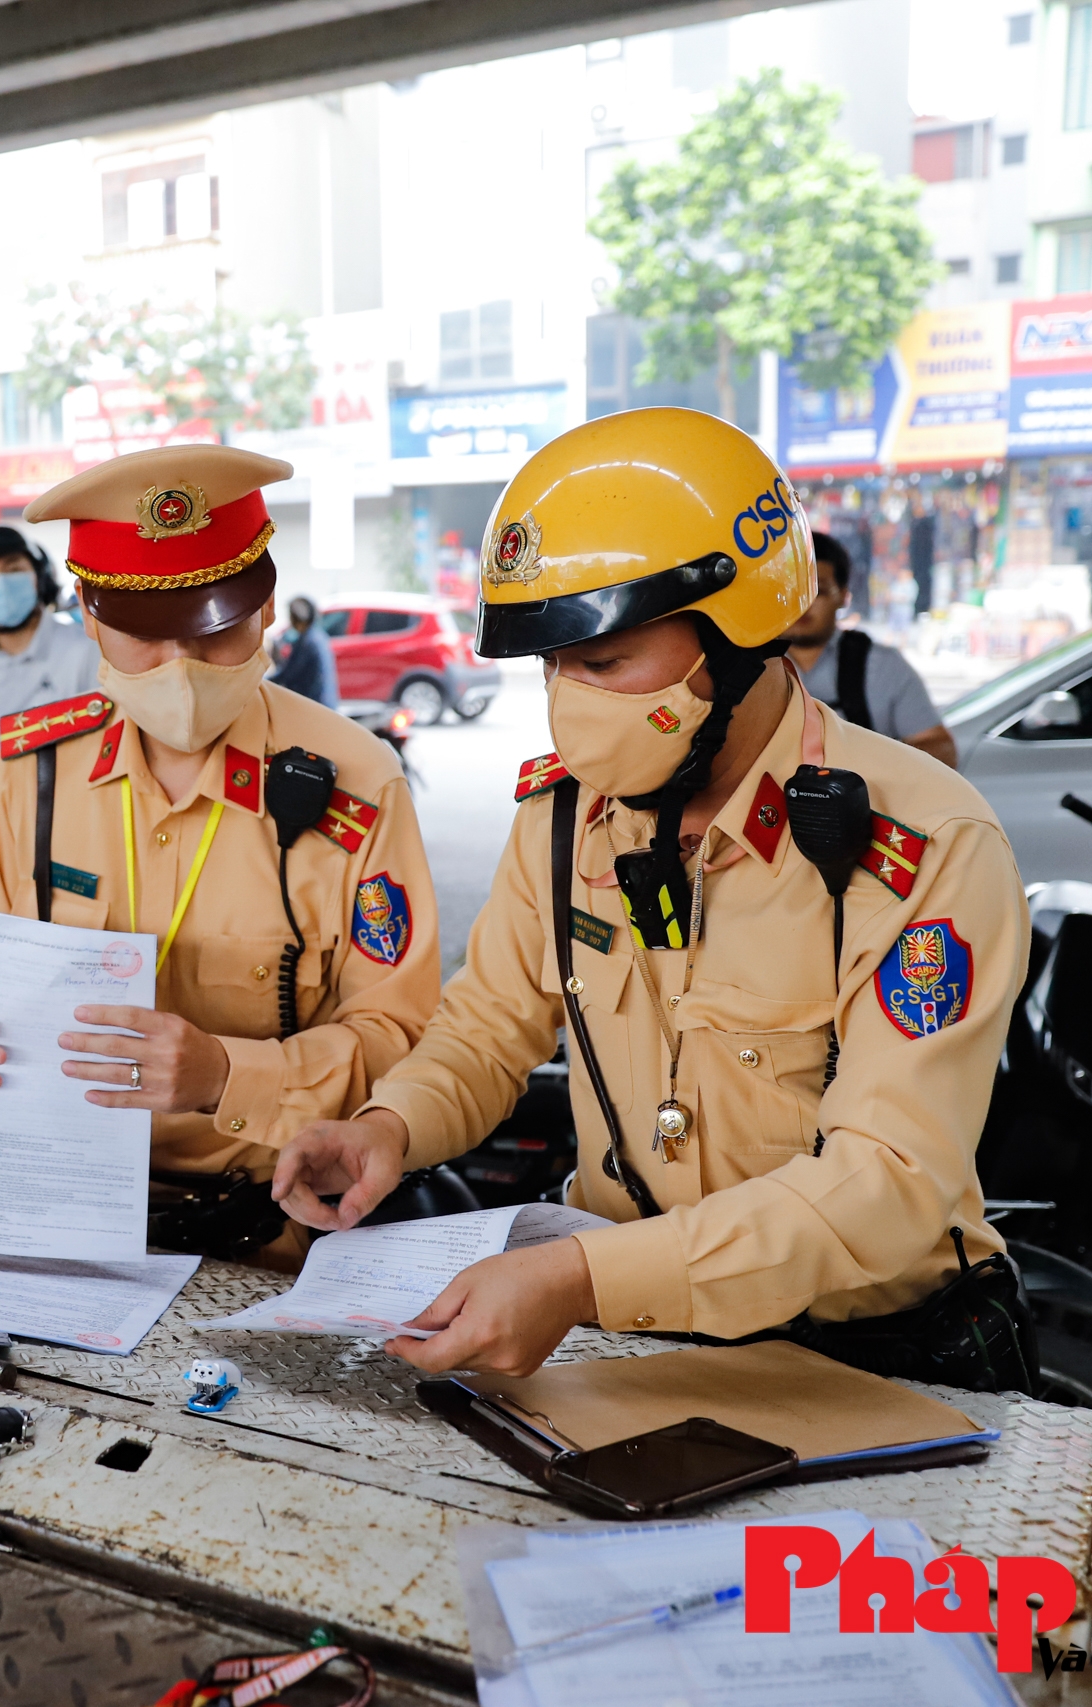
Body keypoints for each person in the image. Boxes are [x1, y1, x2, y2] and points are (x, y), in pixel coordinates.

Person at [270, 408, 1035, 1393]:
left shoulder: (924, 843)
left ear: (738, 635)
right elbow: (488, 1029)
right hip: (623, 1336)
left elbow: (886, 1182)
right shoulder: (564, 818)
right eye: (551, 665)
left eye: (601, 663)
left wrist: (583, 1278)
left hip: (869, 1357)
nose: (569, 702)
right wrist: (389, 1127)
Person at [0, 445, 443, 1267]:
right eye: (144, 634)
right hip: (55, 1211)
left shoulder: (357, 782)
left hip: (267, 1227)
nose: (181, 667)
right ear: (90, 616)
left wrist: (227, 1074)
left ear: (265, 605)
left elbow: (403, 1038)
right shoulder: (35, 775)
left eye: (215, 627)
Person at [0, 524, 101, 823]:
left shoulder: (86, 651)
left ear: (39, 576)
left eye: (13, 570)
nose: (0, 584)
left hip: (65, 821)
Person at [784, 531, 957, 768]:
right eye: (790, 590)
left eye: (817, 592)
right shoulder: (746, 664)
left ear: (843, 596)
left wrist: (873, 768)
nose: (802, 603)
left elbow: (941, 749)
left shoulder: (884, 667)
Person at [267, 595, 337, 707]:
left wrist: (263, 681)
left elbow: (288, 675)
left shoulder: (306, 643)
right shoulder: (319, 637)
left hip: (315, 707)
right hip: (326, 704)